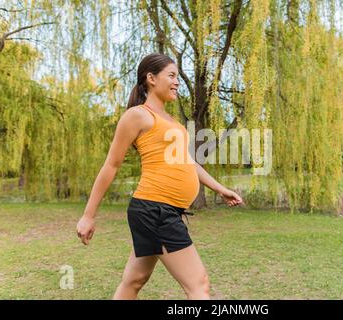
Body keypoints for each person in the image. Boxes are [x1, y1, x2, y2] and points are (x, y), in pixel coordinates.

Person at [76, 53, 243, 300]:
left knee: (134, 280)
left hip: (162, 210)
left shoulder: (172, 121)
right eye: (172, 76)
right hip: (155, 210)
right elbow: (111, 165)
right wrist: (88, 216)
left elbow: (187, 162)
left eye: (178, 77)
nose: (177, 82)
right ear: (151, 78)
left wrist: (220, 188)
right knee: (199, 285)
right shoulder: (138, 115)